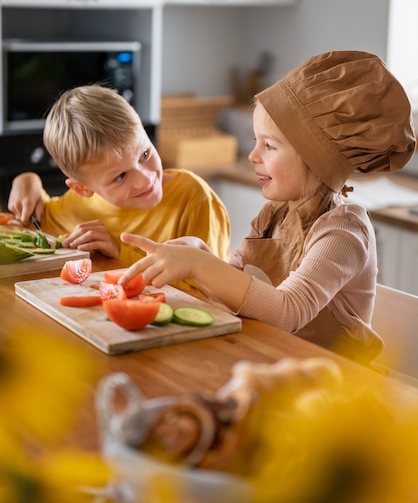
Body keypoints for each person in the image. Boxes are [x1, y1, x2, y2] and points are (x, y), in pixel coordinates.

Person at [118, 50, 416, 363]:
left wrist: (198, 264)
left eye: (269, 145)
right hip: (274, 363)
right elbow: (237, 292)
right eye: (255, 140)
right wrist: (200, 253)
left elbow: (288, 310)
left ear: (318, 159)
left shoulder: (342, 232)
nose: (253, 155)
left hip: (334, 387)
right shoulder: (274, 214)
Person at [8, 84, 231, 294]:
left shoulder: (195, 199)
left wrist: (121, 253)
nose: (145, 180)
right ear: (82, 189)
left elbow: (215, 291)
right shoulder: (79, 206)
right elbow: (34, 219)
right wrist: (27, 179)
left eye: (145, 154)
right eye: (121, 176)